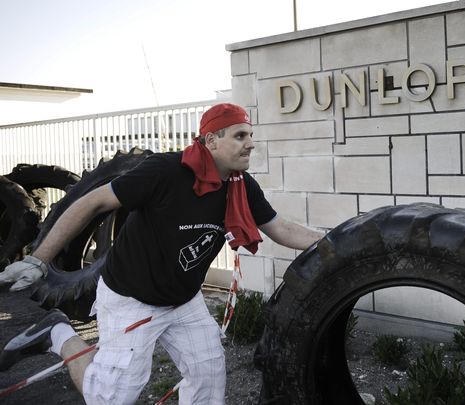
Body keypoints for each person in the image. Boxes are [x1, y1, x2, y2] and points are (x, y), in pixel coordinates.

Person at [0, 103, 324, 404]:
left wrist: (336, 242)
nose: (250, 143)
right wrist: (38, 260)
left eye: (251, 135)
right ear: (211, 140)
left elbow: (280, 228)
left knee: (209, 379)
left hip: (183, 300)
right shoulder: (165, 172)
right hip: (131, 298)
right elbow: (91, 202)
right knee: (109, 398)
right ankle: (57, 333)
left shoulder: (241, 185)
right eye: (241, 136)